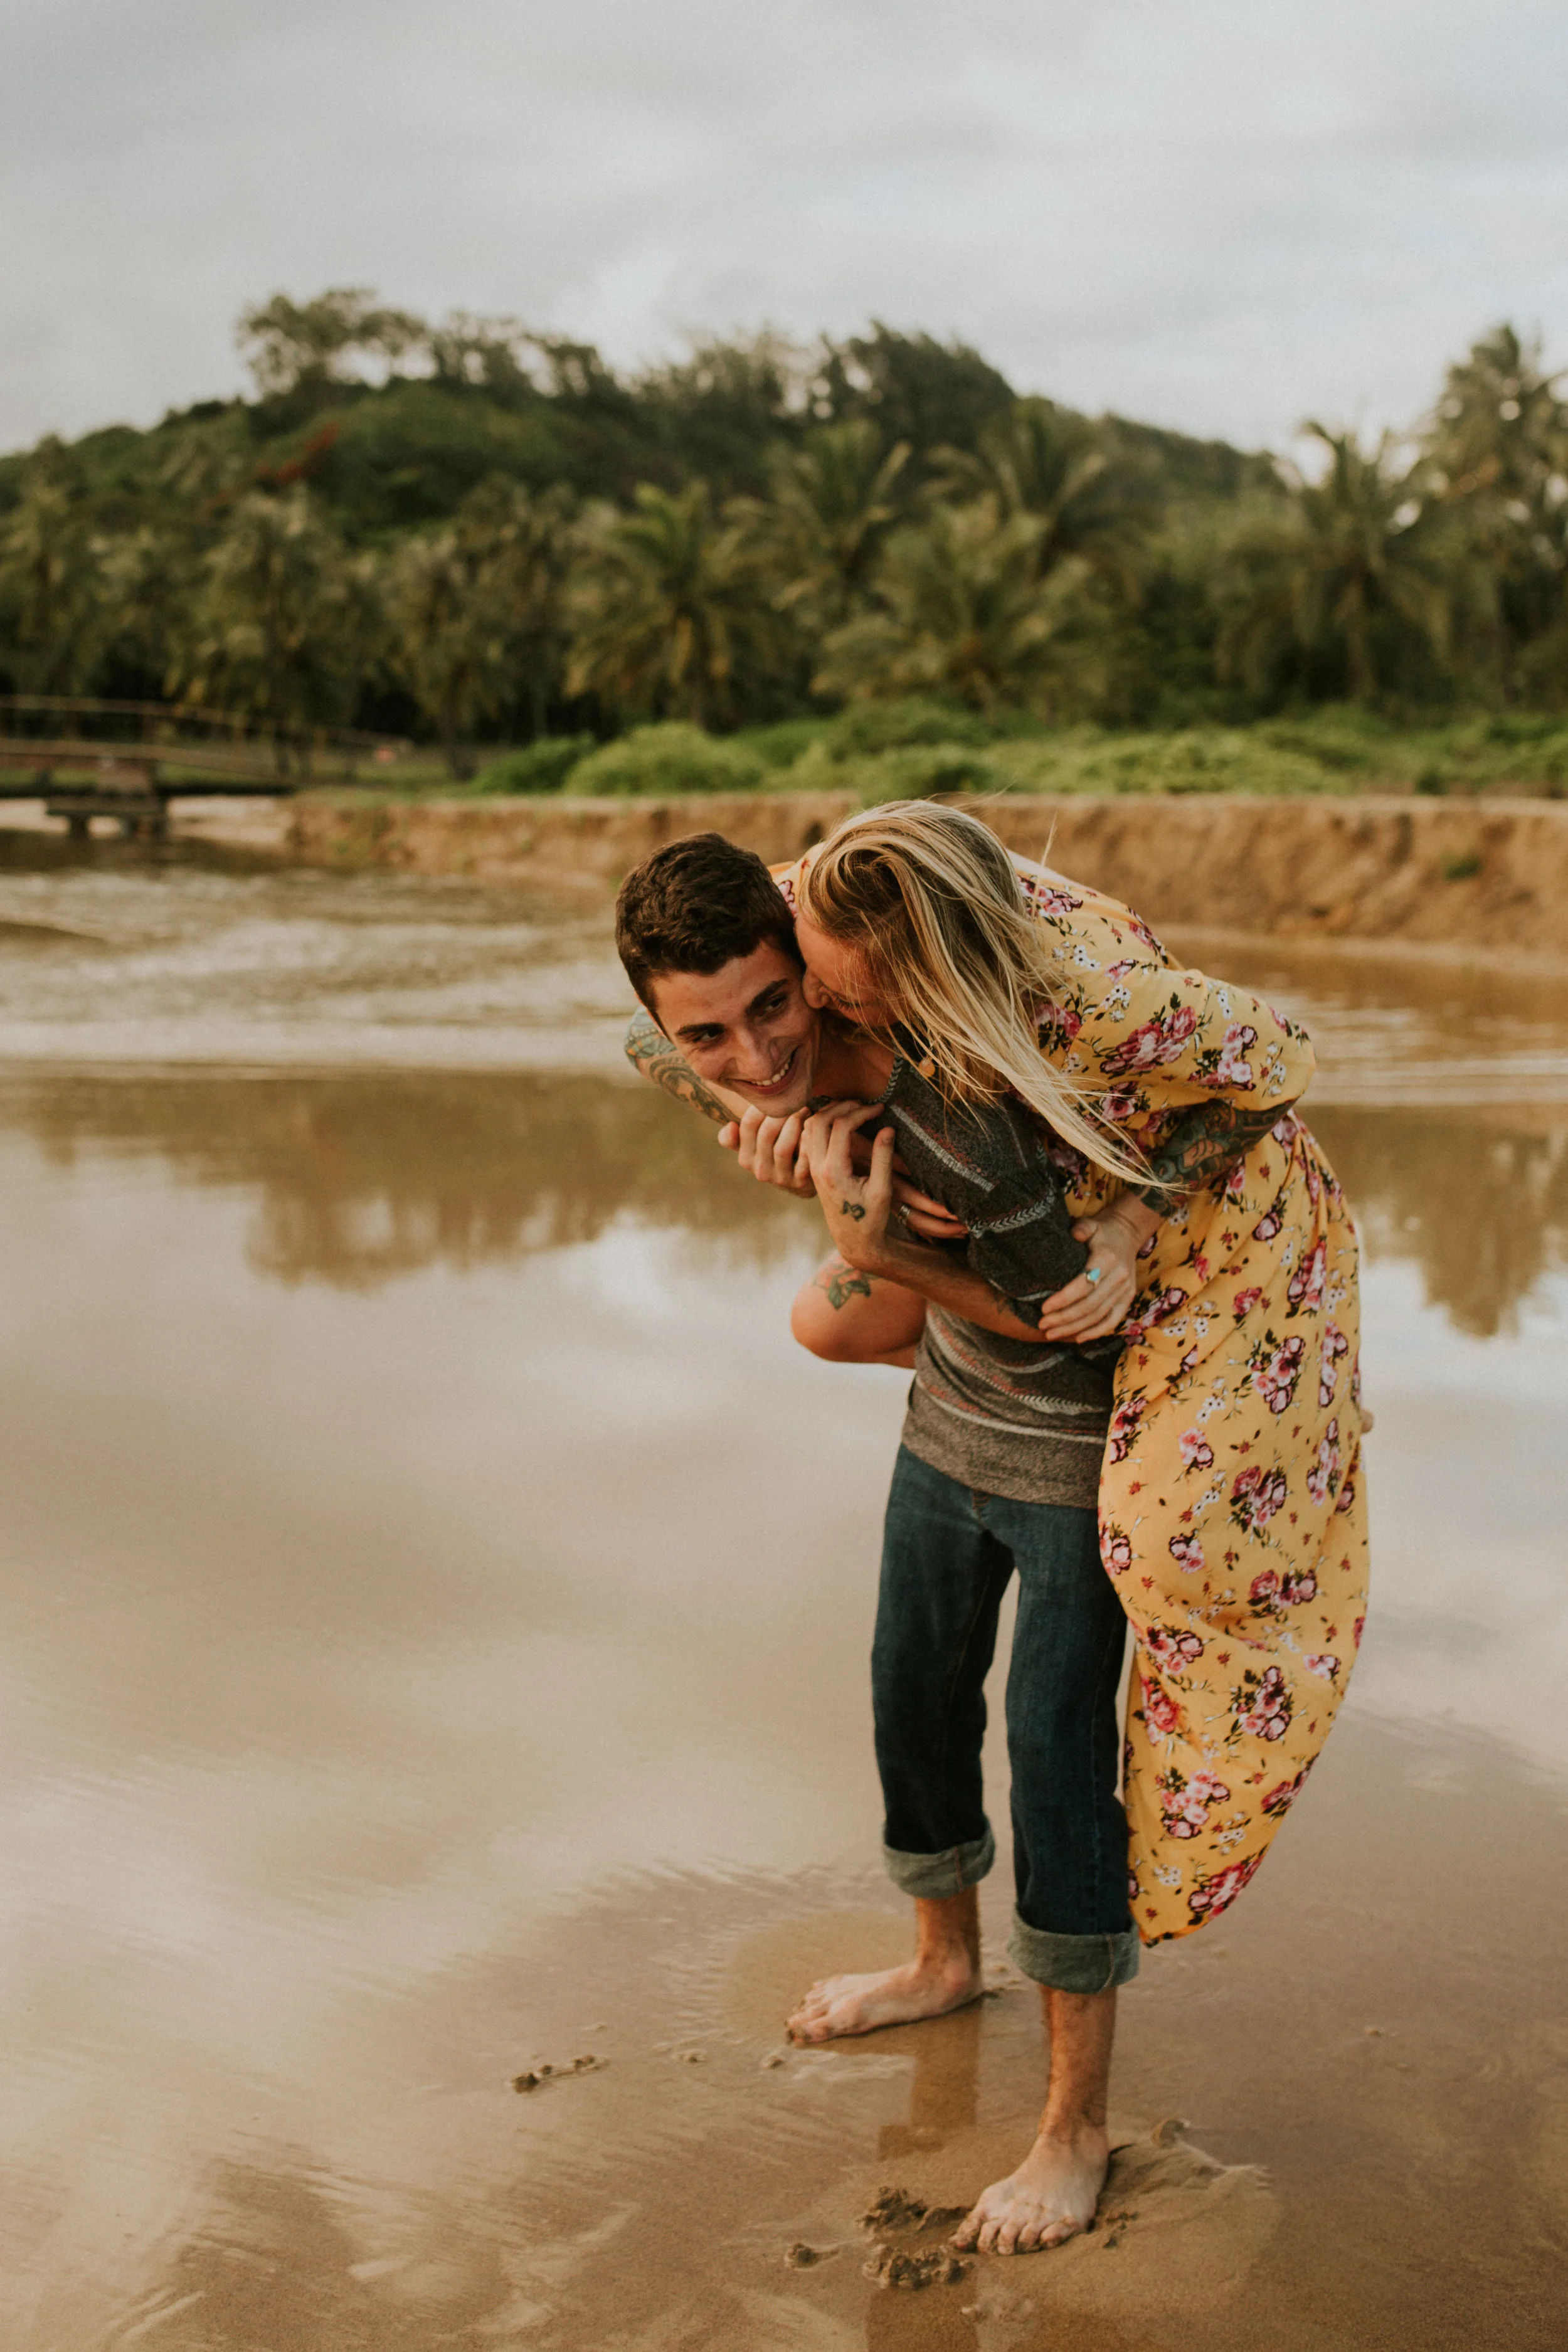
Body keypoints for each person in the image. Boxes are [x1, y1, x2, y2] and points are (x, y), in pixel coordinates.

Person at [615, 816, 1367, 2254]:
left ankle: (1071, 2129)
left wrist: (876, 1246)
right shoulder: (774, 1045)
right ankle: (940, 1963)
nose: (755, 1054)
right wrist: (815, 1182)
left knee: (1055, 1763)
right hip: (945, 1429)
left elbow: (1057, 1324)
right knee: (910, 1699)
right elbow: (692, 1054)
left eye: (774, 1010)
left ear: (818, 975)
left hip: (1068, 1455)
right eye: (706, 1035)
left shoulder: (971, 1093)